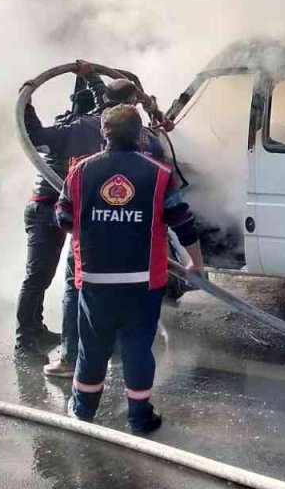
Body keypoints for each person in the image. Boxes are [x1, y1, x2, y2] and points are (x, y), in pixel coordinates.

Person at [55, 105, 205, 434]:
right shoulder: (159, 173)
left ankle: (82, 413)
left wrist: (97, 222)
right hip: (143, 280)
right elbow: (183, 222)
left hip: (95, 279)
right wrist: (196, 262)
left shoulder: (79, 171)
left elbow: (64, 219)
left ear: (103, 134)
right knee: (138, 346)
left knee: (92, 347)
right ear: (140, 135)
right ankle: (139, 417)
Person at [19, 61, 167, 372]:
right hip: (52, 209)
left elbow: (108, 100)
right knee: (45, 277)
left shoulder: (97, 128)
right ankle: (29, 337)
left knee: (79, 282)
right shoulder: (94, 129)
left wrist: (30, 97)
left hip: (76, 215)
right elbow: (34, 135)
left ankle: (76, 351)